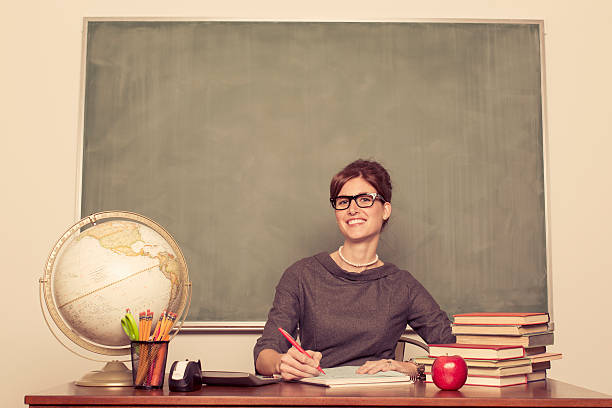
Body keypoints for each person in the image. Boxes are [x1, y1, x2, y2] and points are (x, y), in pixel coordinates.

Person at [253, 159, 455, 380]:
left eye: (365, 200)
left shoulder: (402, 285)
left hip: (382, 399)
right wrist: (281, 363)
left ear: (385, 209)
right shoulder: (301, 275)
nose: (352, 209)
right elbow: (264, 354)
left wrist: (413, 368)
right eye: (343, 201)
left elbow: (458, 351)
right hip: (317, 397)